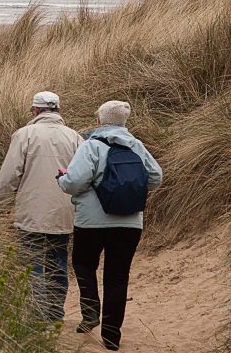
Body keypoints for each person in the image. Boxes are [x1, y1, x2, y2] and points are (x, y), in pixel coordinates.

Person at [58, 100, 164, 350]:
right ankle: (111, 336)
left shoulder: (91, 146)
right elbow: (156, 177)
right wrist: (130, 188)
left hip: (91, 222)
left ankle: (90, 311)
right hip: (129, 222)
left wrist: (62, 180)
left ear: (100, 120)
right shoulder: (137, 146)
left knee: (84, 264)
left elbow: (73, 183)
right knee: (117, 277)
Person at [0, 91, 83, 323]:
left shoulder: (24, 135)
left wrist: (3, 203)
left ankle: (37, 315)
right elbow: (83, 175)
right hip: (64, 212)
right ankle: (55, 314)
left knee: (32, 264)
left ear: (35, 111)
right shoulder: (74, 137)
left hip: (30, 212)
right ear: (58, 110)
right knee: (57, 263)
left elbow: (9, 175)